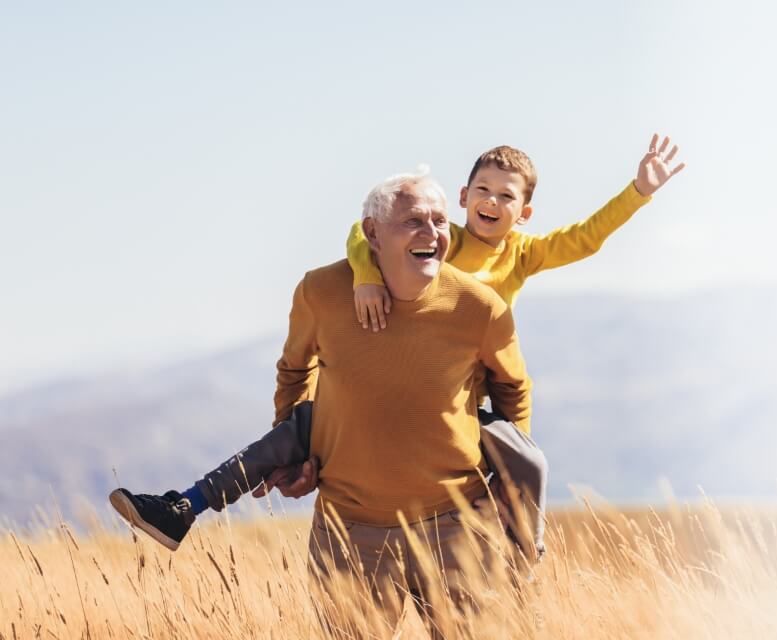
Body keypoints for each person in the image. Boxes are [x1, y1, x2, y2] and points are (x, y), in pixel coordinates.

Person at [111, 168, 531, 616]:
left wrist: (505, 483)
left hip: (456, 527)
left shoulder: (481, 308)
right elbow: (294, 370)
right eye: (414, 221)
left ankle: (184, 505)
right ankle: (183, 507)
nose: (432, 232)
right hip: (349, 533)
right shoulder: (322, 292)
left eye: (440, 221)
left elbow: (513, 390)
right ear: (372, 233)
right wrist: (298, 460)